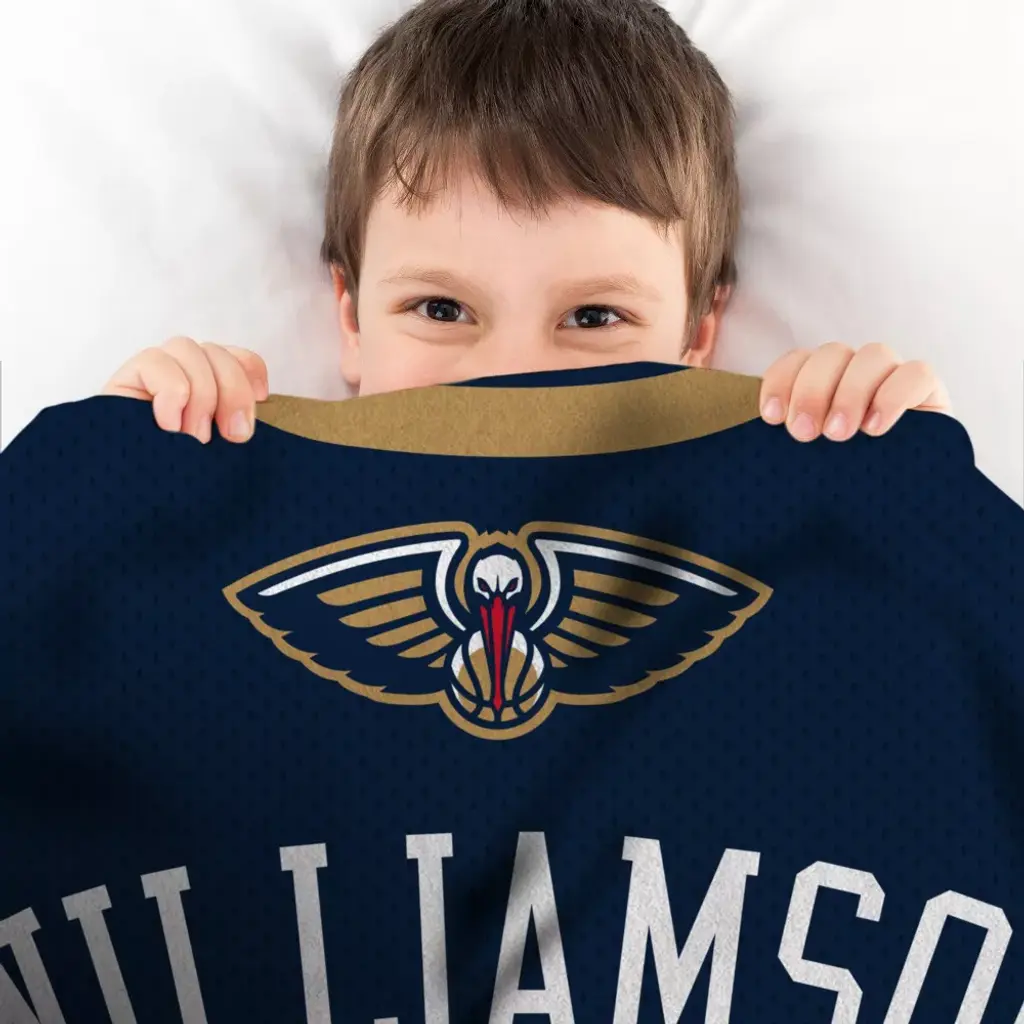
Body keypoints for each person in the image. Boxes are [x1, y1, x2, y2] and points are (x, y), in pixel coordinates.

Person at [103, 0, 951, 444]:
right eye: (441, 309)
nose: (512, 377)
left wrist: (905, 485)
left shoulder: (771, 517)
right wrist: (110, 474)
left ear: (698, 335)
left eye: (595, 317)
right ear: (351, 320)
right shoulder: (243, 498)